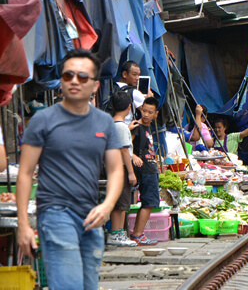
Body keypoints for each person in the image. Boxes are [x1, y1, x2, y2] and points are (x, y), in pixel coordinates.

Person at [16, 49, 123, 289]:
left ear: (95, 85)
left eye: (83, 77)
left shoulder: (104, 122)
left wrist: (107, 206)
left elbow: (116, 170)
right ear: (61, 81)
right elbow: (25, 173)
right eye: (68, 76)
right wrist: (24, 225)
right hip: (55, 214)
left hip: (91, 215)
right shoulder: (43, 120)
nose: (74, 81)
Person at [107, 91, 138, 247]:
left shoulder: (111, 125)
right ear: (129, 107)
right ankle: (115, 233)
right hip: (121, 168)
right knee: (121, 203)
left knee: (119, 202)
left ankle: (118, 232)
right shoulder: (122, 128)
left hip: (112, 167)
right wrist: (131, 172)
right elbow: (125, 151)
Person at [130, 97, 160, 245]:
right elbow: (126, 145)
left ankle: (137, 234)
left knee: (149, 202)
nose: (146, 114)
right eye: (144, 111)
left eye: (150, 112)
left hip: (151, 166)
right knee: (148, 202)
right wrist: (134, 156)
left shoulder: (149, 127)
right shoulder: (136, 126)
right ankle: (138, 234)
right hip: (144, 169)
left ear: (156, 114)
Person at [117, 60, 150, 126]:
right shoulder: (134, 93)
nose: (137, 78)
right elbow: (148, 113)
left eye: (138, 75)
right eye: (134, 75)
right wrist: (149, 98)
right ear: (124, 74)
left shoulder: (112, 88)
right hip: (128, 128)